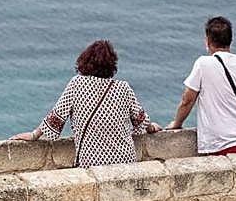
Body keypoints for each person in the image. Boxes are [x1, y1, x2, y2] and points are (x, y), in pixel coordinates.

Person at [11, 39, 160, 167]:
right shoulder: (123, 87)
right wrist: (152, 127)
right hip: (124, 161)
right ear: (112, 65)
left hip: (91, 162)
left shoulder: (77, 84)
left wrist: (34, 135)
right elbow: (140, 119)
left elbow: (57, 115)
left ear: (85, 61)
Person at [166, 16, 236, 155]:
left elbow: (187, 100)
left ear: (207, 41)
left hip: (222, 146)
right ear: (230, 40)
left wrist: (176, 124)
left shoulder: (203, 64)